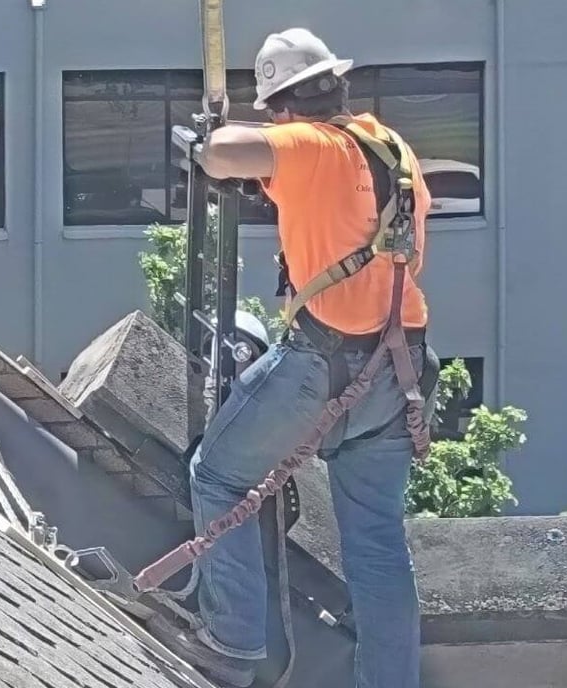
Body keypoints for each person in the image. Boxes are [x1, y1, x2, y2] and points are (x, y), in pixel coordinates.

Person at [150, 27, 435, 688]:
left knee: (217, 475)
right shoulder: (389, 149)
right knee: (376, 544)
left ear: (282, 107)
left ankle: (234, 640)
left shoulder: (309, 146)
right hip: (400, 368)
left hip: (324, 363)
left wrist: (213, 134)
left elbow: (226, 155)